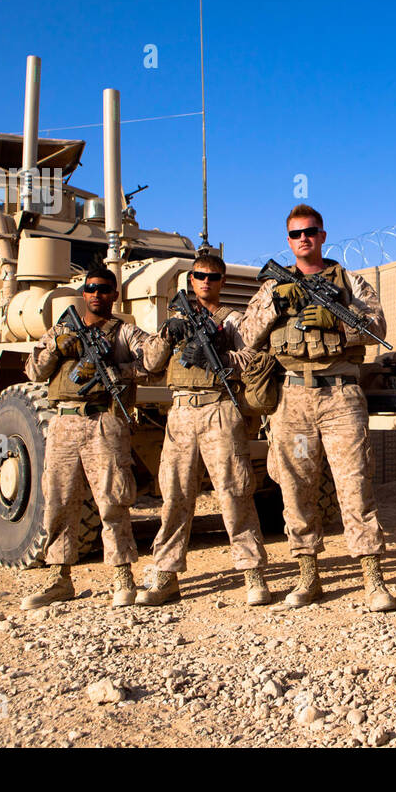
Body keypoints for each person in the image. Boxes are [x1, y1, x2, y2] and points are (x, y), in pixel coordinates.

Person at [239, 204, 396, 612]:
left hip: (340, 396)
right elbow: (245, 336)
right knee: (295, 489)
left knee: (354, 484)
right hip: (292, 397)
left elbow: (377, 328)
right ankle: (309, 576)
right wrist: (276, 302)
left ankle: (373, 578)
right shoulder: (273, 286)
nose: (303, 238)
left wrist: (334, 321)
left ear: (323, 235)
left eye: (310, 231)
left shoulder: (349, 281)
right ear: (288, 241)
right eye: (295, 234)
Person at [137, 253, 271, 606]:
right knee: (175, 496)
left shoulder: (233, 321)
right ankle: (166, 574)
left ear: (222, 281)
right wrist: (168, 335)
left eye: (213, 277)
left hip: (219, 409)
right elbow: (150, 363)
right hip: (180, 412)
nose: (206, 282)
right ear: (191, 280)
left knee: (234, 492)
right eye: (199, 276)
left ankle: (252, 572)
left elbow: (254, 360)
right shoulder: (176, 319)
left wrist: (221, 357)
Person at [20, 265, 149, 610]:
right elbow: (33, 371)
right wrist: (56, 348)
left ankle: (123, 576)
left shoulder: (124, 333)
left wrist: (115, 371)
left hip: (103, 421)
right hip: (63, 423)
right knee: (59, 502)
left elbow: (153, 363)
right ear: (84, 292)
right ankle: (59, 578)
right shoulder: (62, 329)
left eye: (104, 289)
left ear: (114, 294)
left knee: (112, 501)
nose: (96, 294)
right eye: (91, 288)